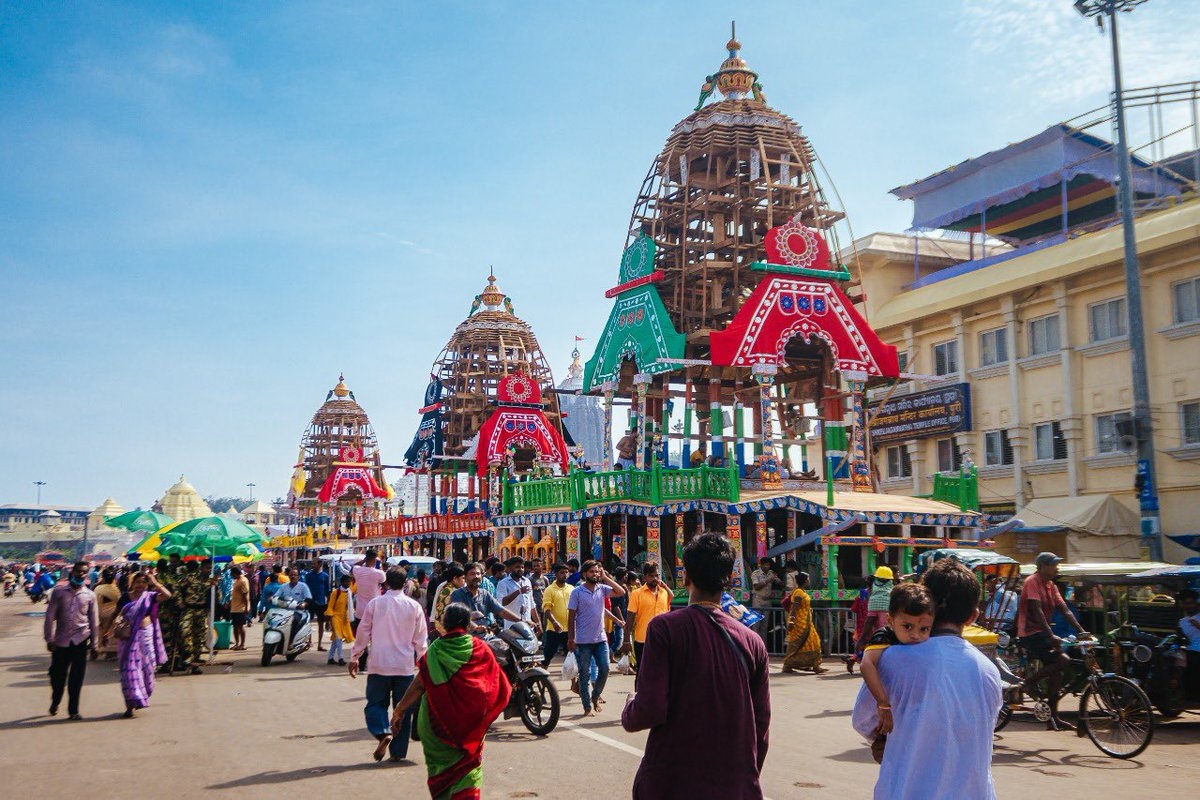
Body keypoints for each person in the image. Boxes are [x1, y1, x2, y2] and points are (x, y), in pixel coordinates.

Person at [622, 534, 771, 799]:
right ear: (729, 579)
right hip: (733, 784)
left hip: (672, 781)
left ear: (686, 577)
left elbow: (649, 709)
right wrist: (745, 777)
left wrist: (630, 706)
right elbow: (761, 727)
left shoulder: (665, 629)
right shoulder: (753, 642)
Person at [852, 558, 1002, 800]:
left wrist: (884, 738)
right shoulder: (989, 670)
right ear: (973, 616)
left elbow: (864, 720)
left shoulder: (893, 660)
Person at [390, 603, 511, 798]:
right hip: (469, 728)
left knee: (440, 771)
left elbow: (419, 684)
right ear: (468, 624)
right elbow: (498, 686)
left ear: (444, 624)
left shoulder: (436, 649)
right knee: (468, 772)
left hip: (436, 726)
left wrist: (399, 710)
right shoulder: (481, 648)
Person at [349, 568, 428, 763]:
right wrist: (423, 662)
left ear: (386, 584)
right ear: (405, 583)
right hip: (404, 666)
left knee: (376, 704)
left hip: (379, 664)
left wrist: (355, 655)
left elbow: (363, 631)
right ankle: (398, 752)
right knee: (403, 708)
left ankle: (382, 732)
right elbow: (421, 639)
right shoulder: (414, 606)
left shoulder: (376, 604)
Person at [856, 583, 935, 762]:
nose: (915, 635)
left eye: (923, 629)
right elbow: (866, 664)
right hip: (885, 707)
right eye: (907, 626)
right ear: (891, 621)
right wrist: (883, 704)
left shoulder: (929, 644)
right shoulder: (884, 637)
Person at [1016, 552, 1088, 730]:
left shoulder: (1051, 585)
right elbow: (1037, 610)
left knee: (1057, 672)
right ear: (1042, 567)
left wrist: (1082, 631)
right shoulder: (1031, 582)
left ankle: (1053, 717)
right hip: (1029, 633)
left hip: (1043, 633)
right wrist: (1051, 635)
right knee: (1064, 660)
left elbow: (1065, 610)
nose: (1056, 568)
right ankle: (1027, 682)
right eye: (1053, 565)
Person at [567, 559, 626, 716]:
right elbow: (571, 616)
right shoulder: (577, 592)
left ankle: (595, 696)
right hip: (582, 641)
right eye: (592, 571)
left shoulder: (602, 588)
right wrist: (571, 639)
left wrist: (605, 577)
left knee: (605, 668)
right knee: (585, 675)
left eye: (597, 571)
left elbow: (621, 592)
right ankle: (587, 707)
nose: (595, 574)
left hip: (600, 639)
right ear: (584, 574)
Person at [43, 561, 98, 719]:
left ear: (87, 574)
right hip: (61, 642)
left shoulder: (90, 595)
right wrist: (49, 638)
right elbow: (50, 616)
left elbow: (94, 622)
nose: (81, 574)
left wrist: (94, 644)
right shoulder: (59, 592)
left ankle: (73, 710)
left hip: (80, 640)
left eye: (84, 572)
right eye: (78, 571)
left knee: (76, 677)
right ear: (72, 572)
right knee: (57, 676)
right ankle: (56, 700)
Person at [117, 569, 171, 717]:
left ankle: (141, 696)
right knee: (129, 671)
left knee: (147, 669)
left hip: (145, 635)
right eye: (137, 582)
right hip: (128, 639)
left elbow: (167, 595)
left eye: (143, 582)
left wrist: (155, 583)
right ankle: (130, 705)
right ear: (132, 583)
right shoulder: (125, 598)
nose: (140, 585)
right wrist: (106, 632)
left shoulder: (150, 597)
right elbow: (116, 614)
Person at [621, 560, 671, 671]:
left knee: (661, 672)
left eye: (657, 575)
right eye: (651, 576)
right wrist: (626, 641)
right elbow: (630, 619)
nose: (655, 578)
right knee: (642, 672)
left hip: (662, 640)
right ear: (645, 577)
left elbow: (667, 616)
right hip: (643, 640)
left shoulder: (664, 593)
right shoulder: (637, 594)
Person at [450, 563, 521, 633]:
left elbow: (501, 611)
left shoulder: (485, 594)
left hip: (485, 634)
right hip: (466, 637)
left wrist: (520, 620)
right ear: (465, 577)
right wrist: (476, 627)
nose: (476, 576)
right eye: (472, 574)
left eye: (478, 574)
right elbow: (461, 618)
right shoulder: (458, 594)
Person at [780, 571, 827, 674]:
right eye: (808, 579)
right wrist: (791, 621)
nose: (809, 581)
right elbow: (794, 607)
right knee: (796, 644)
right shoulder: (798, 592)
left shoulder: (802, 591)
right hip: (799, 623)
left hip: (807, 622)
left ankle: (815, 665)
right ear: (805, 581)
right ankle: (787, 665)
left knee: (814, 643)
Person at [177, 560, 214, 674]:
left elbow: (216, 598)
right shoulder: (189, 578)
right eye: (207, 568)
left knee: (199, 638)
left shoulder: (210, 582)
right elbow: (177, 588)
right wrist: (180, 601)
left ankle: (194, 664)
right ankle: (187, 657)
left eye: (210, 568)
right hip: (189, 609)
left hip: (201, 611)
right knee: (184, 630)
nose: (208, 570)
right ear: (201, 568)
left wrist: (215, 588)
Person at [496, 556, 541, 631]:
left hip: (528, 627)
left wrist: (538, 623)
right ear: (510, 568)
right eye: (517, 567)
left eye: (522, 567)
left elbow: (532, 604)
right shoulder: (503, 583)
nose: (521, 569)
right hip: (512, 627)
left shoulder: (527, 581)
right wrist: (519, 592)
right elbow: (502, 603)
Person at [541, 562, 573, 667]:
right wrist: (554, 622)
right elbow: (547, 609)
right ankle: (539, 676)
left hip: (569, 628)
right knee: (548, 654)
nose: (564, 575)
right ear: (556, 574)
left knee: (572, 654)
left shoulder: (571, 589)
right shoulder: (549, 590)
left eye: (566, 573)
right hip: (554, 629)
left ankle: (574, 681)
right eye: (562, 573)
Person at [857, 566, 894, 651]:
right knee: (883, 626)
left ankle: (862, 640)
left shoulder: (873, 582)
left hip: (873, 605)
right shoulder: (890, 583)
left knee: (870, 624)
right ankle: (882, 644)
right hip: (885, 606)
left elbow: (868, 591)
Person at [350, 550, 387, 631]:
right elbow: (384, 584)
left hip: (360, 611)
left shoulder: (357, 570)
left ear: (366, 558)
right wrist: (380, 566)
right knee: (374, 635)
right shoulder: (379, 573)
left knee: (362, 635)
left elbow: (352, 568)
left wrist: (364, 560)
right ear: (375, 559)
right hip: (375, 609)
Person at [326, 574, 355, 666]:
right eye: (347, 581)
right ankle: (340, 658)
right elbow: (330, 606)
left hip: (344, 618)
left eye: (349, 581)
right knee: (339, 638)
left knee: (336, 639)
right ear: (342, 582)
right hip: (335, 617)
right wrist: (328, 620)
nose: (348, 583)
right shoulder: (336, 592)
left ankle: (330, 658)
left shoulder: (350, 592)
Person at [304, 558, 331, 652]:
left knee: (320, 624)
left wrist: (329, 606)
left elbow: (328, 591)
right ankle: (308, 642)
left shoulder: (325, 576)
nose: (312, 565)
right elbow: (305, 588)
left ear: (320, 564)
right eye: (312, 563)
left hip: (321, 603)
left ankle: (319, 644)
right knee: (307, 622)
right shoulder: (308, 576)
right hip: (310, 602)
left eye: (314, 563)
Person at [430, 563, 466, 635]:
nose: (464, 581)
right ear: (455, 579)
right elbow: (437, 606)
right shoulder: (450, 590)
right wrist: (432, 620)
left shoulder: (450, 587)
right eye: (463, 578)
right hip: (449, 627)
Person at [94, 568, 121, 659]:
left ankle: (101, 649)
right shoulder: (116, 589)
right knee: (112, 633)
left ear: (103, 578)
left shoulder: (98, 588)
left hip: (102, 613)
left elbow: (96, 602)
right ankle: (111, 652)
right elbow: (119, 602)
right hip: (114, 614)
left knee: (101, 632)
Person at [1178, 589, 1200, 700]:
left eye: (1190, 603)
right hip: (1189, 650)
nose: (1188, 606)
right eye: (1186, 604)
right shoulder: (1182, 622)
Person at [228, 566, 251, 651]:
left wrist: (246, 607)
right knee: (235, 627)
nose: (231, 576)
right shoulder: (237, 581)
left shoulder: (243, 581)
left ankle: (242, 644)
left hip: (240, 608)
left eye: (232, 574)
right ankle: (237, 643)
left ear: (235, 573)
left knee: (240, 627)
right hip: (234, 608)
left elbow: (245, 595)